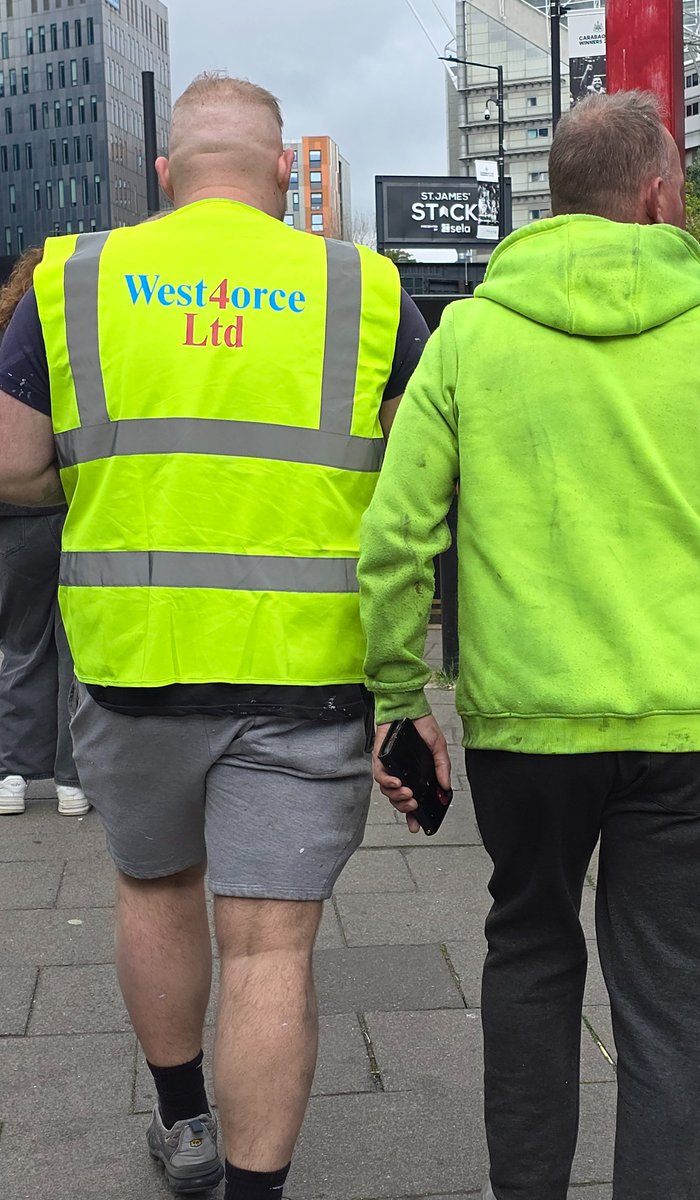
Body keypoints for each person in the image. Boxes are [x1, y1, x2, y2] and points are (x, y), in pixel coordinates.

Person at [358, 91, 700, 1200]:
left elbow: (394, 539)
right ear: (659, 197)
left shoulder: (470, 339)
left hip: (526, 728)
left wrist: (403, 697)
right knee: (674, 1004)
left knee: (529, 952)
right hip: (683, 737)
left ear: (557, 201)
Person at [0, 72, 428, 1200]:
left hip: (136, 662)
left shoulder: (74, 279)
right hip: (308, 671)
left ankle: (186, 1126)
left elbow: (10, 458)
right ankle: (254, 1190)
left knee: (154, 889)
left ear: (164, 176)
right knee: (270, 948)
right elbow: (425, 478)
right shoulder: (364, 288)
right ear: (284, 178)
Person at [0, 248, 88, 817]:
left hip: (16, 520)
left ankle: (11, 775)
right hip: (80, 511)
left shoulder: (10, 344)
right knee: (75, 652)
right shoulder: (80, 342)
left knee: (20, 648)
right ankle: (70, 780)